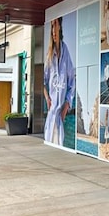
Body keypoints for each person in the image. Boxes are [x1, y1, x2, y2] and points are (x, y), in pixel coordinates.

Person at [43, 17, 75, 146]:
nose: (53, 30)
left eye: (55, 24)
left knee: (59, 146)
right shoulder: (49, 55)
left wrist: (66, 106)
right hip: (52, 113)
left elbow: (72, 82)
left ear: (59, 26)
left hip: (60, 115)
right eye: (51, 26)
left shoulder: (65, 51)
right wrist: (47, 99)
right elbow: (43, 81)